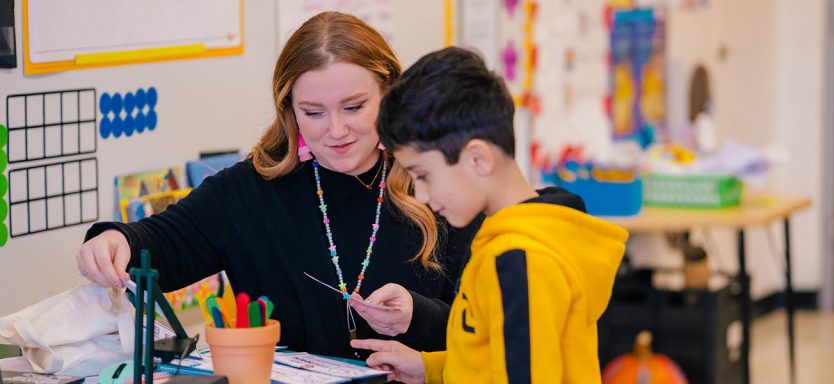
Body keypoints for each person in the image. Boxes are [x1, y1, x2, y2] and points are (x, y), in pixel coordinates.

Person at [74, 12, 478, 359]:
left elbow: (488, 327)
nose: (336, 130)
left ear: (390, 94)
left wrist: (418, 316)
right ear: (289, 110)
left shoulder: (438, 186)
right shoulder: (253, 188)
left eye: (354, 107)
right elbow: (163, 243)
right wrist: (116, 241)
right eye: (313, 112)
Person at [351, 47, 629, 383]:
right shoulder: (514, 239)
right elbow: (492, 360)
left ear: (478, 159)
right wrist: (431, 369)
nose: (421, 195)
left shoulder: (519, 259)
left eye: (423, 175)